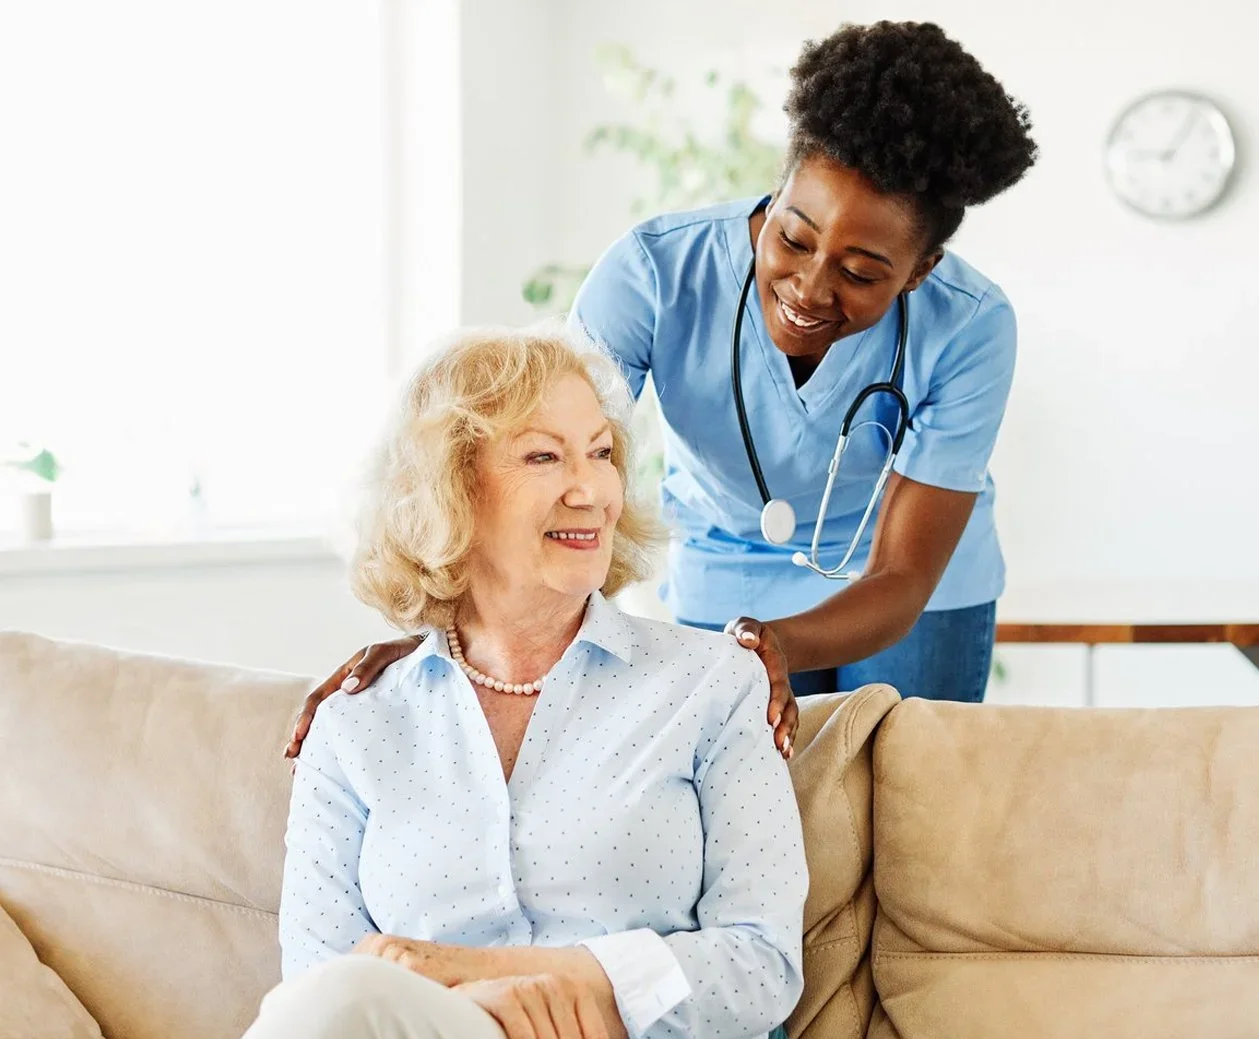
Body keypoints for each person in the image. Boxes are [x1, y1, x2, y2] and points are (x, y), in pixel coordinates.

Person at [121, 327, 806, 1039]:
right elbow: (312, 995)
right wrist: (468, 1015)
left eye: (601, 452)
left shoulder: (708, 685)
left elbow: (761, 964)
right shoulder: (357, 723)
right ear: (451, 489)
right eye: (543, 456)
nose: (590, 488)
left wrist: (486, 975)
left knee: (360, 1008)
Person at [286, 20, 1038, 762]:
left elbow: (902, 576)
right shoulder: (654, 274)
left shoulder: (971, 326)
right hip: (725, 568)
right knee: (752, 805)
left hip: (910, 592)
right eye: (793, 238)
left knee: (909, 810)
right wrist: (446, 640)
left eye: (862, 272)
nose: (808, 288)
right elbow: (530, 460)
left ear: (920, 269)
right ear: (775, 194)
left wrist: (779, 639)